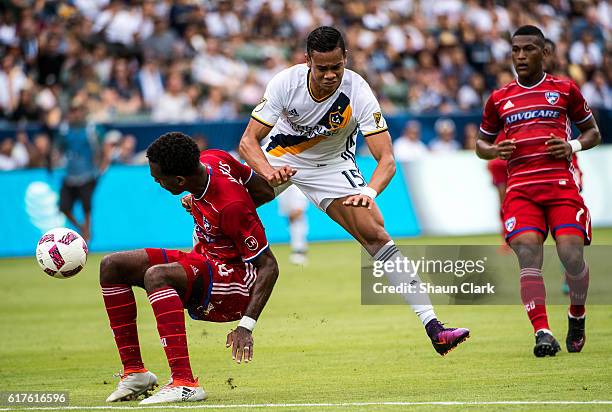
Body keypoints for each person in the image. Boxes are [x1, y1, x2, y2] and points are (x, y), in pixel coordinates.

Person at [238, 26, 469, 356]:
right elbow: (248, 142)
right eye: (322, 69)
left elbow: (387, 158)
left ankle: (434, 327)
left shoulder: (358, 90)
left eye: (337, 67)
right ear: (308, 62)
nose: (331, 75)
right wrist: (269, 172)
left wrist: (371, 192)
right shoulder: (284, 83)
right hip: (282, 157)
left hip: (333, 165)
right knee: (227, 201)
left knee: (376, 234)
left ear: (345, 58)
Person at [100, 132, 279, 405]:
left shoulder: (231, 206)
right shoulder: (214, 157)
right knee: (112, 266)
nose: (156, 182)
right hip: (206, 261)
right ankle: (135, 373)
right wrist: (201, 202)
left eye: (159, 179)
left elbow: (269, 267)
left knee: (157, 276)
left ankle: (184, 383)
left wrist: (246, 326)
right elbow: (265, 190)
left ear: (180, 181)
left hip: (238, 282)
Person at [476, 25, 601, 357]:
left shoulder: (565, 90)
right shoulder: (499, 98)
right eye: (515, 49)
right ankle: (542, 332)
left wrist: (571, 145)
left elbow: (593, 133)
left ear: (545, 53)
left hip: (560, 187)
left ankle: (577, 314)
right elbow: (481, 142)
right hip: (521, 192)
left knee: (572, 257)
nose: (520, 56)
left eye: (528, 49)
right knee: (529, 256)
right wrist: (492, 152)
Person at [56, 98, 109, 242]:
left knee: (87, 207)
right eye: (72, 111)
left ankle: (87, 232)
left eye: (77, 111)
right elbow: (58, 149)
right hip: (70, 174)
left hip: (88, 174)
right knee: (63, 207)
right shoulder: (64, 130)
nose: (75, 114)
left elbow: (103, 147)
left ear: (83, 112)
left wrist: (102, 167)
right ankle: (82, 228)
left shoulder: (91, 129)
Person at [277, 184, 309, 265]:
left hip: (295, 183)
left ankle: (300, 251)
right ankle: (298, 250)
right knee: (291, 220)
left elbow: (299, 211)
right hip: (282, 184)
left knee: (297, 215)